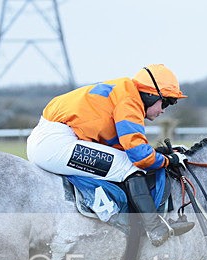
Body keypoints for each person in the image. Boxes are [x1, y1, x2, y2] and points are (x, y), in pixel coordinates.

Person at [27, 64, 194, 246]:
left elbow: (123, 147)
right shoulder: (130, 101)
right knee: (129, 168)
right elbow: (139, 157)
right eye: (166, 102)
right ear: (151, 94)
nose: (164, 110)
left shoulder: (124, 91)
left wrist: (156, 154)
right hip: (55, 143)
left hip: (49, 139)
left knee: (123, 162)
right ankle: (154, 228)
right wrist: (169, 160)